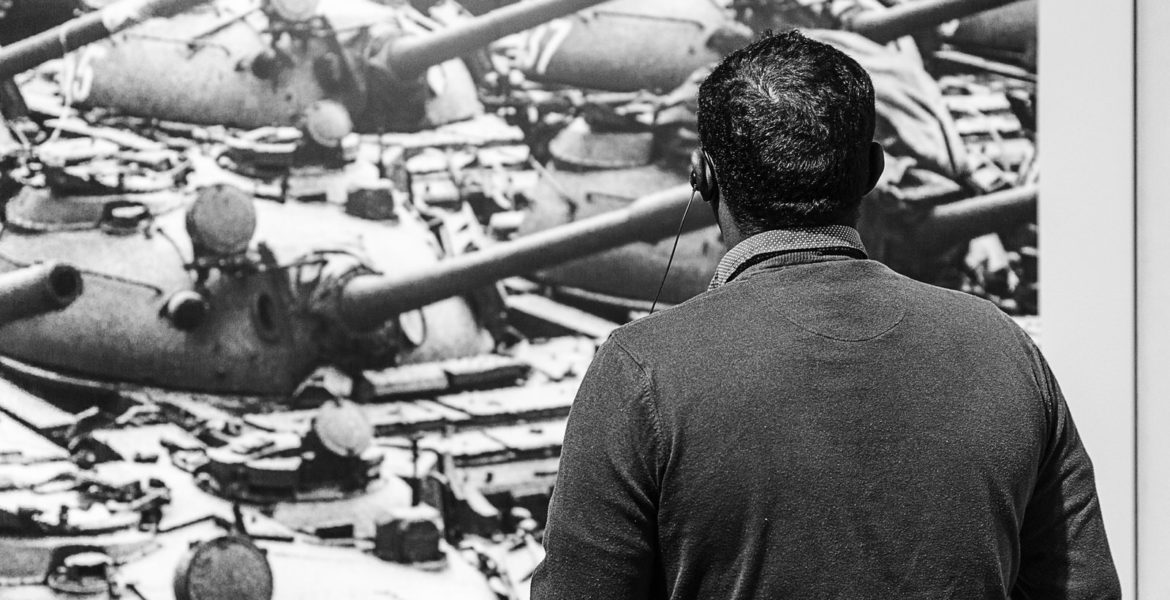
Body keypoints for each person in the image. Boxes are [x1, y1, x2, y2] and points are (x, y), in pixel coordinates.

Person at [530, 30, 1120, 600]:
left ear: (703, 176)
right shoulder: (1003, 350)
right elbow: (1085, 589)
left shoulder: (641, 373)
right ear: (873, 172)